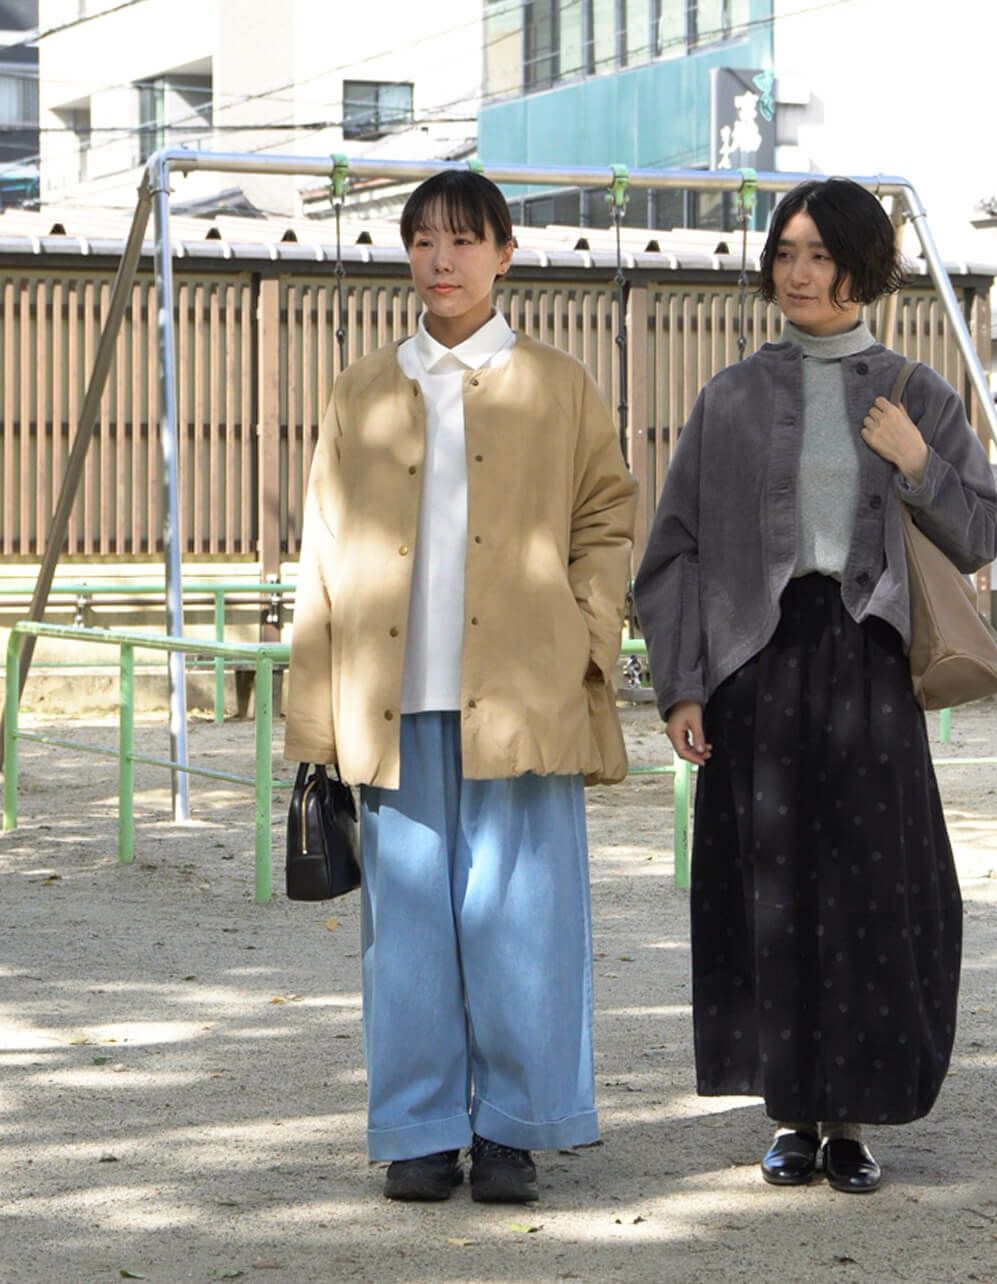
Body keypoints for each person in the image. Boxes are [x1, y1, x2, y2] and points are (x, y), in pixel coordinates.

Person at [633, 177, 997, 1194]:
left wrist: (918, 462)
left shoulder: (917, 393)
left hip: (870, 666)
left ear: (862, 266)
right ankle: (790, 1115)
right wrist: (682, 686)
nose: (797, 273)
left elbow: (982, 535)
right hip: (755, 665)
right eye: (784, 253)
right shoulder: (730, 398)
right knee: (770, 891)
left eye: (819, 254)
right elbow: (672, 552)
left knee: (874, 893)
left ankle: (851, 1121)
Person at [284, 170, 637, 1204]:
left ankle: (513, 1129)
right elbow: (322, 548)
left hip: (522, 694)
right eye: (423, 242)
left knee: (523, 922)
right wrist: (317, 718)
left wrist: (585, 638)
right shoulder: (359, 389)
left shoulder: (559, 383)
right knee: (405, 934)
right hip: (390, 703)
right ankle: (420, 1131)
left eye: (464, 240)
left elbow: (605, 519)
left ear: (504, 254)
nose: (442, 261)